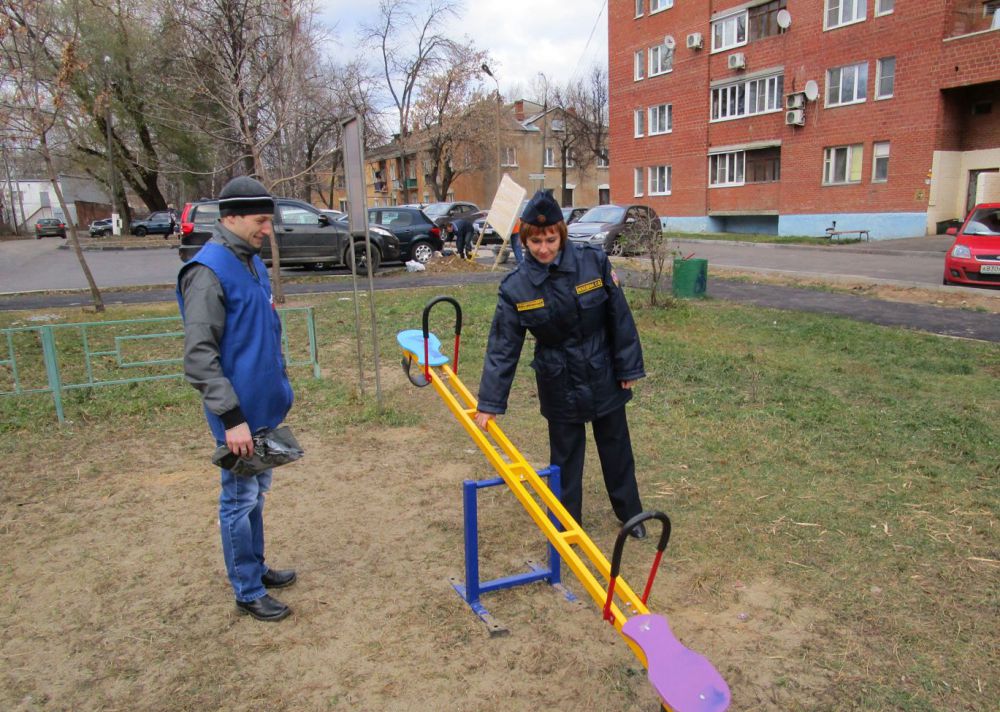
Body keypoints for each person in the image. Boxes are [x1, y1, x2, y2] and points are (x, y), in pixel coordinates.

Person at [474, 190, 648, 539]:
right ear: (525, 238)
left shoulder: (592, 261)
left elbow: (619, 316)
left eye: (550, 239)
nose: (543, 248)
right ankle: (568, 528)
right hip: (558, 380)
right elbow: (503, 347)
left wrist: (627, 368)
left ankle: (631, 515)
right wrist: (490, 404)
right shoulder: (516, 287)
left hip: (603, 371)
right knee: (565, 458)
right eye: (535, 240)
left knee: (616, 447)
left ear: (561, 234)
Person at [177, 176, 297, 622]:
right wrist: (231, 418)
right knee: (239, 498)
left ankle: (257, 566)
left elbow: (261, 332)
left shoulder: (250, 261)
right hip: (237, 417)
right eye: (260, 220)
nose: (268, 229)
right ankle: (246, 589)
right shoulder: (208, 272)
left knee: (257, 494)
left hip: (262, 409)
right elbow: (200, 357)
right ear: (231, 217)